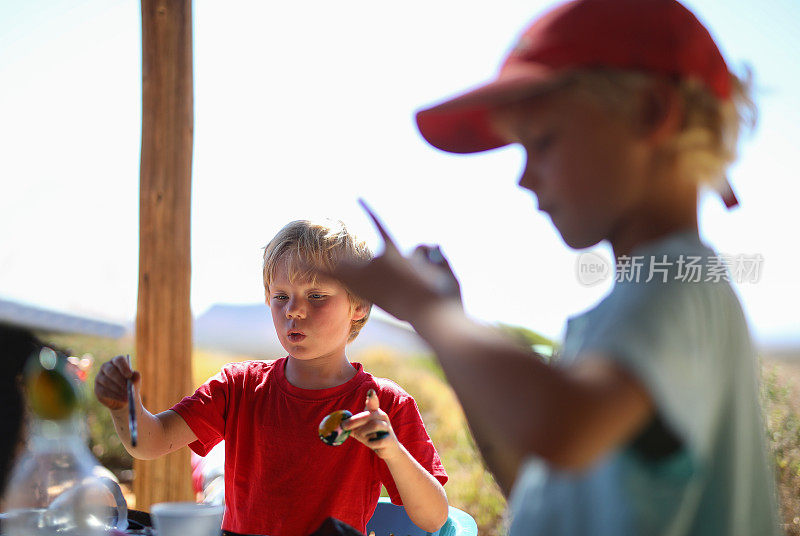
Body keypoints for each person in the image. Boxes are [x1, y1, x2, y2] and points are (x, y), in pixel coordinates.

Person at [329, 0, 781, 534]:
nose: (524, 179)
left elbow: (563, 427)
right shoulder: (630, 312)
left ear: (653, 114)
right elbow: (539, 480)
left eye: (542, 143)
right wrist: (448, 316)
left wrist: (426, 309)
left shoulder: (678, 282)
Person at [94, 219, 449, 536]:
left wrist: (392, 451)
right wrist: (125, 406)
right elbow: (152, 442)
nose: (293, 309)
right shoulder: (240, 386)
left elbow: (434, 520)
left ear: (359, 306)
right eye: (281, 296)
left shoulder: (383, 405)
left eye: (316, 296)